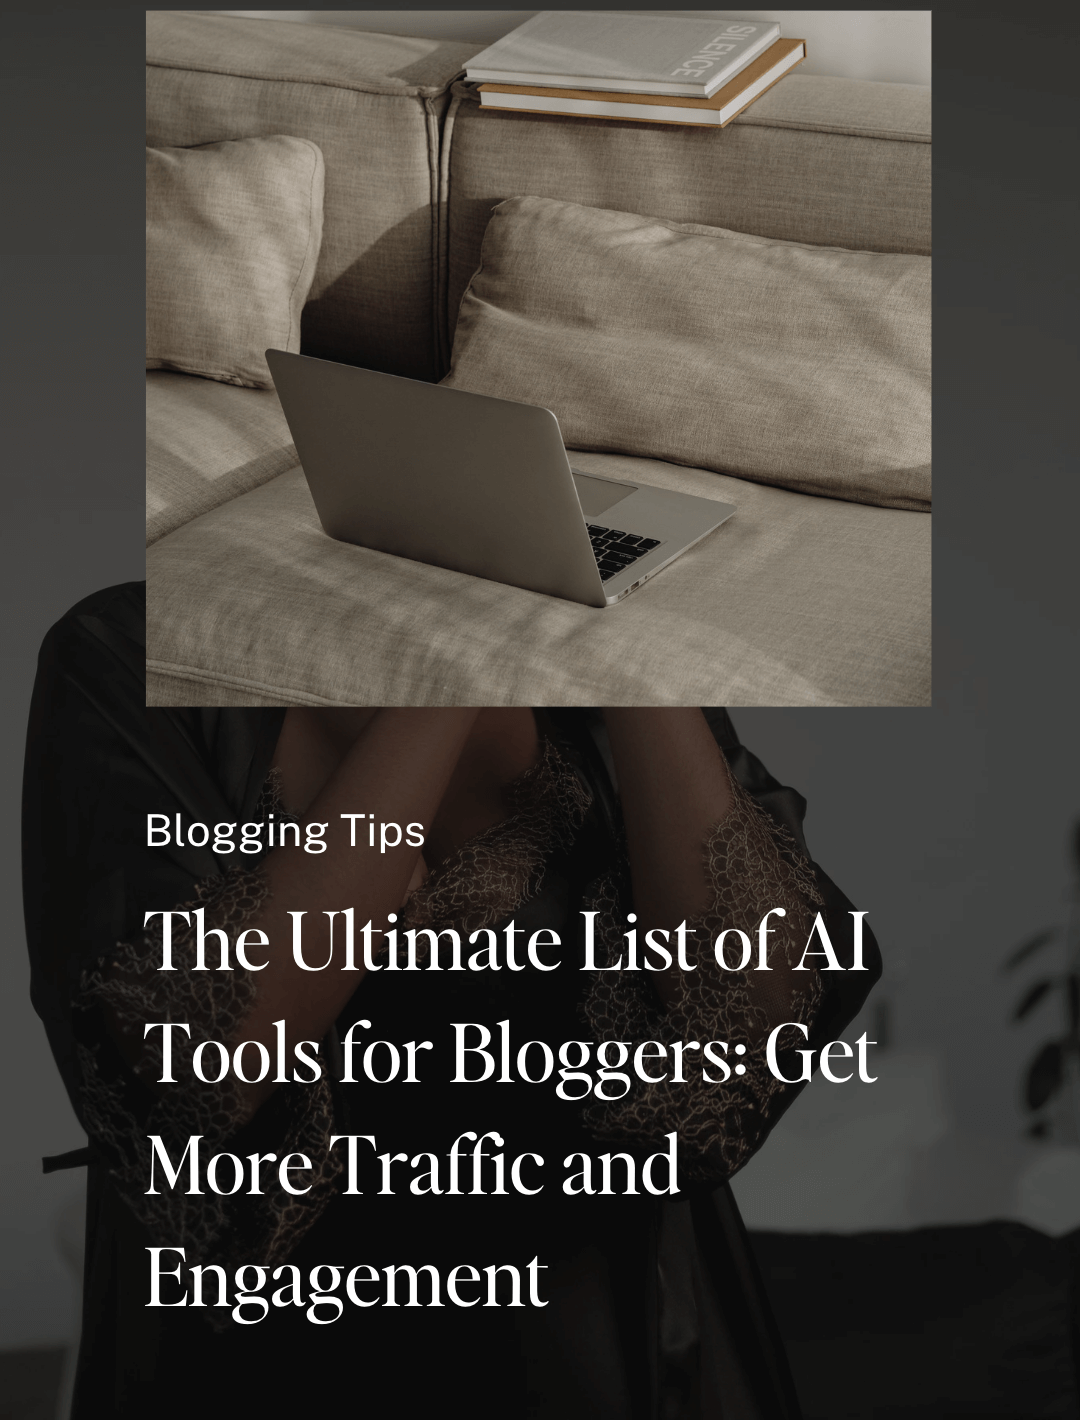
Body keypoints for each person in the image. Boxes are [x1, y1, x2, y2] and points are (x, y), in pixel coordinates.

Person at [23, 582, 880, 1420]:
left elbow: (748, 1034)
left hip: (627, 1356)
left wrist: (630, 646)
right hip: (262, 1369)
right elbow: (205, 1060)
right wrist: (455, 657)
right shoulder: (131, 647)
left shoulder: (605, 674)